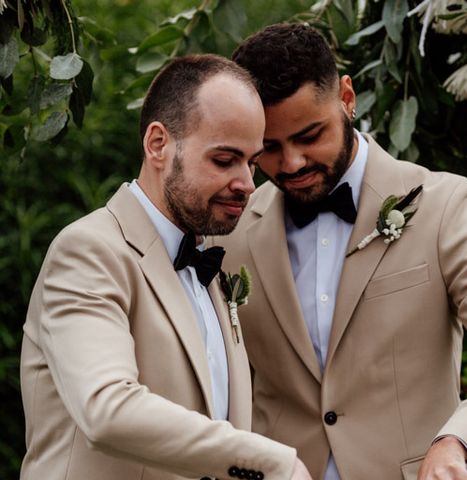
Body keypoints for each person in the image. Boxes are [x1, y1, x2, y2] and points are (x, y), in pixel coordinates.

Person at [218, 24, 467, 480]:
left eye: (310, 135)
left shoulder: (442, 206)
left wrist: (458, 444)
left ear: (346, 97)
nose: (292, 163)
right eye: (270, 148)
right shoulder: (229, 234)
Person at [20, 53, 312, 480]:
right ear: (158, 144)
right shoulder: (89, 250)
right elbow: (107, 409)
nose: (248, 184)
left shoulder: (212, 262)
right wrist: (270, 460)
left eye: (251, 162)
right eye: (224, 160)